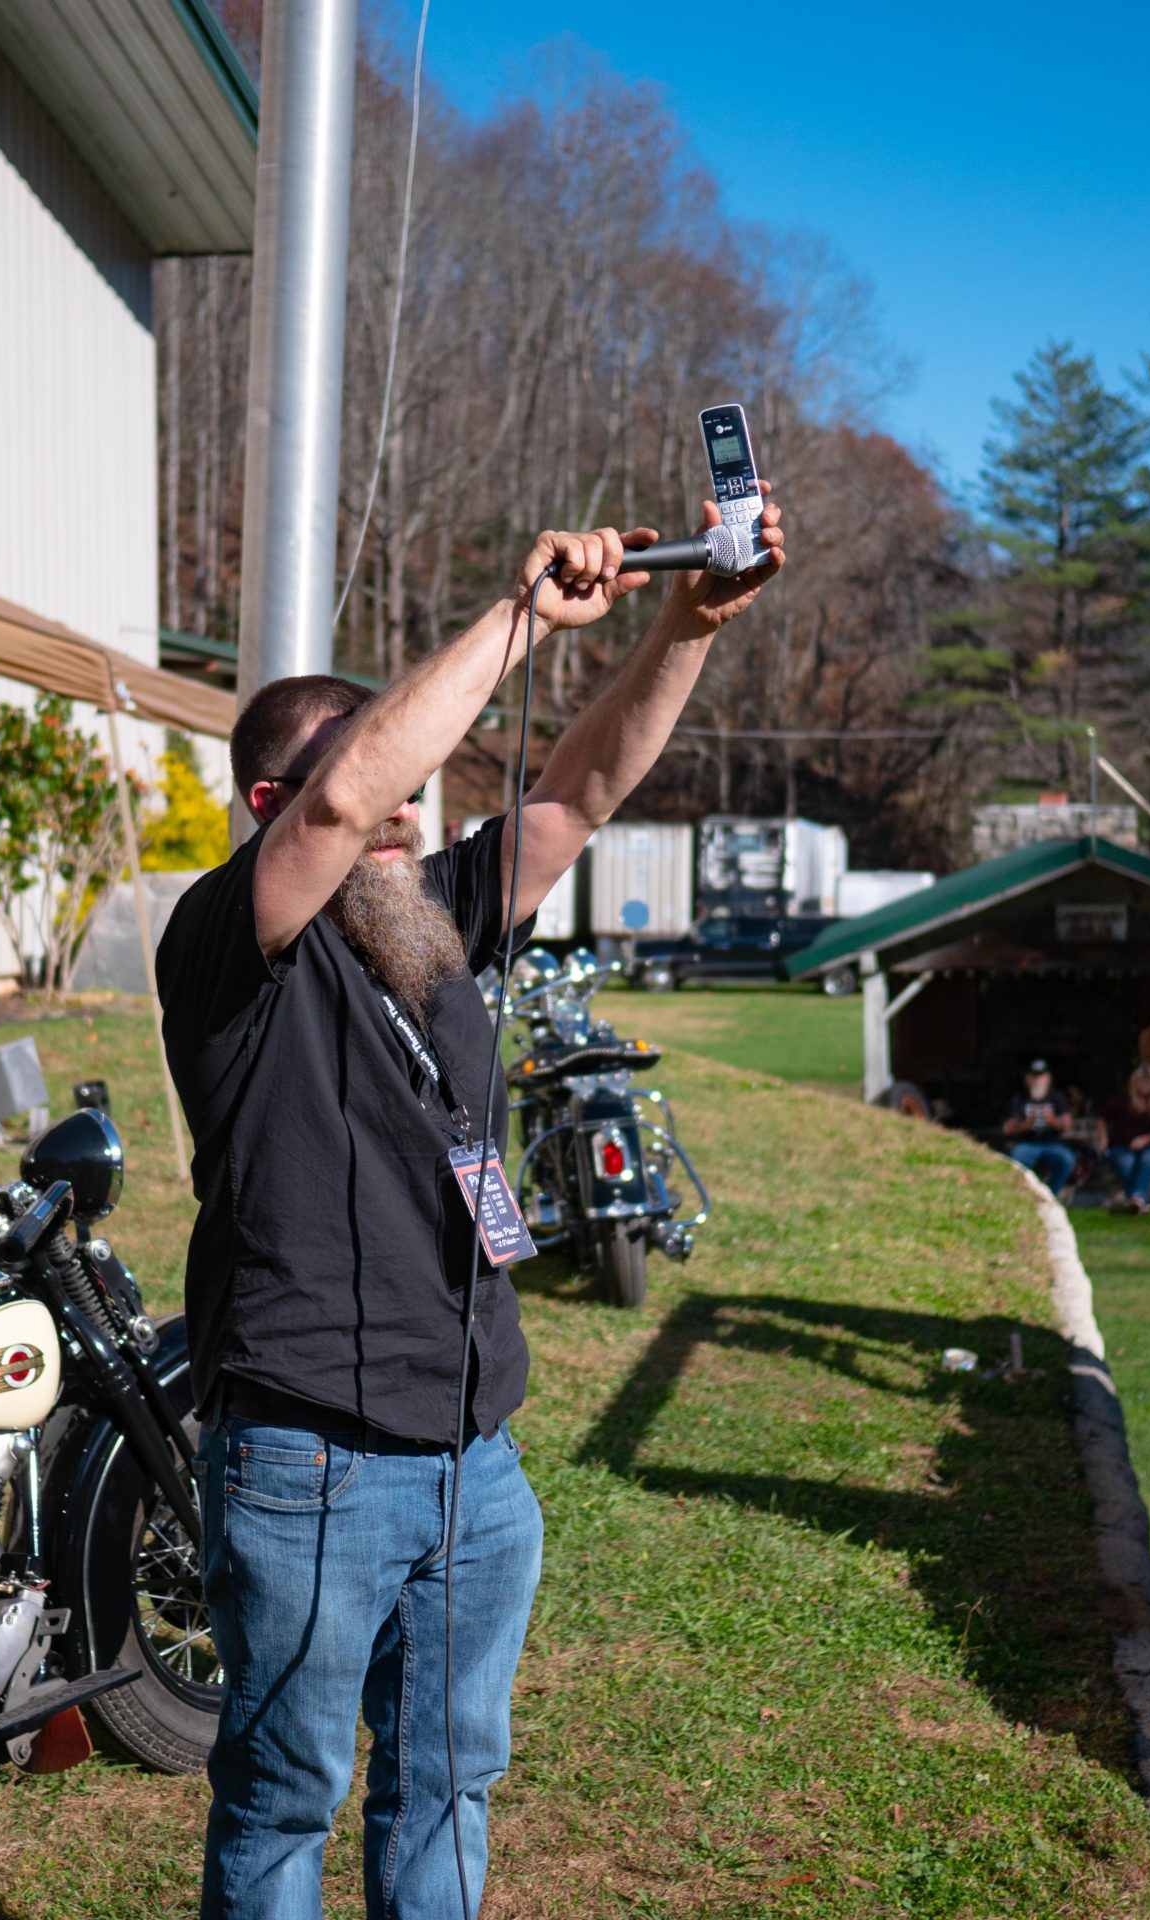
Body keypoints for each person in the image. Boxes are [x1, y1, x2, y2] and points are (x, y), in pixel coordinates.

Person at [157, 495, 786, 1920]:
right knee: (282, 1803)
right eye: (384, 780)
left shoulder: (421, 921)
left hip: (474, 1465)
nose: (409, 807)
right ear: (270, 813)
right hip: (308, 1463)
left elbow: (579, 794)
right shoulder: (230, 942)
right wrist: (518, 619)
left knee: (447, 1787)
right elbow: (339, 798)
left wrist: (684, 625)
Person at [1097, 1062, 1150, 1214]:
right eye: (1141, 1081)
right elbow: (1101, 1117)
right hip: (1121, 1145)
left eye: (1149, 1081)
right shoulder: (1121, 1099)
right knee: (1127, 1163)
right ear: (1134, 1082)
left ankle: (1135, 1199)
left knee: (1149, 1160)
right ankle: (1138, 1201)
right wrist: (1103, 1139)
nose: (1145, 1085)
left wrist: (1145, 1139)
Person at [1003, 1058, 1077, 1195]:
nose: (1037, 1079)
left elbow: (1067, 1125)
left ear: (1048, 1077)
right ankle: (1023, 1194)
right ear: (1027, 1078)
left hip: (1052, 1143)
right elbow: (1008, 1129)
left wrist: (1052, 1121)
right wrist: (1027, 1124)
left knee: (1067, 1159)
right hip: (1027, 1143)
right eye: (1033, 1075)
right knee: (1016, 1159)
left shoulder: (1057, 1098)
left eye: (1041, 1075)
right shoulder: (1019, 1099)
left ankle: (1049, 1194)